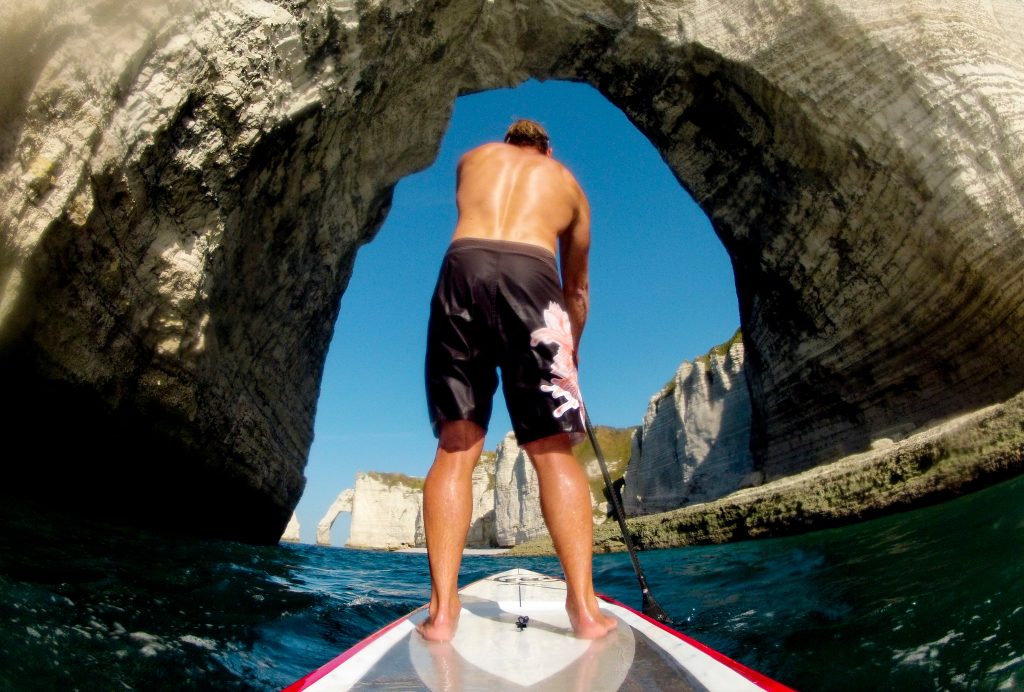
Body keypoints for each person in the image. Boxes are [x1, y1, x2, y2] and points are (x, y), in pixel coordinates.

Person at [419, 119, 617, 642]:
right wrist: (570, 352)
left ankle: (442, 614)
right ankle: (585, 611)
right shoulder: (568, 186)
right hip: (533, 276)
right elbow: (576, 289)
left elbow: (474, 208)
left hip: (462, 269)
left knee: (456, 444)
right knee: (552, 449)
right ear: (547, 149)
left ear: (506, 144)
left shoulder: (473, 160)